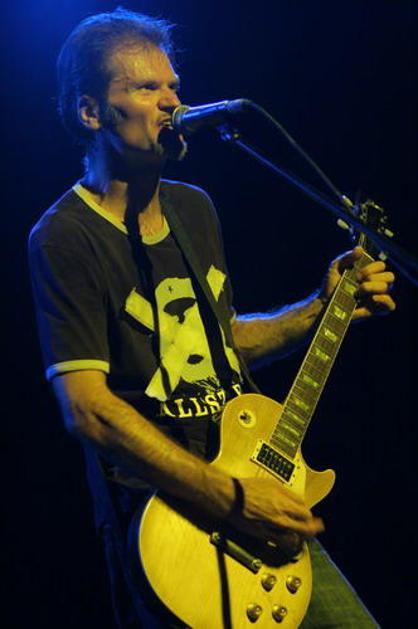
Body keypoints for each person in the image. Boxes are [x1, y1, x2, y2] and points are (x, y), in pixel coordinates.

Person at [28, 8, 395, 628]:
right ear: (91, 112)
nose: (172, 101)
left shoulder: (194, 209)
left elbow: (219, 344)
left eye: (173, 85)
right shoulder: (64, 236)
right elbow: (87, 407)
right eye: (146, 87)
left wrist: (322, 310)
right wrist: (230, 498)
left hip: (258, 493)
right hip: (172, 520)